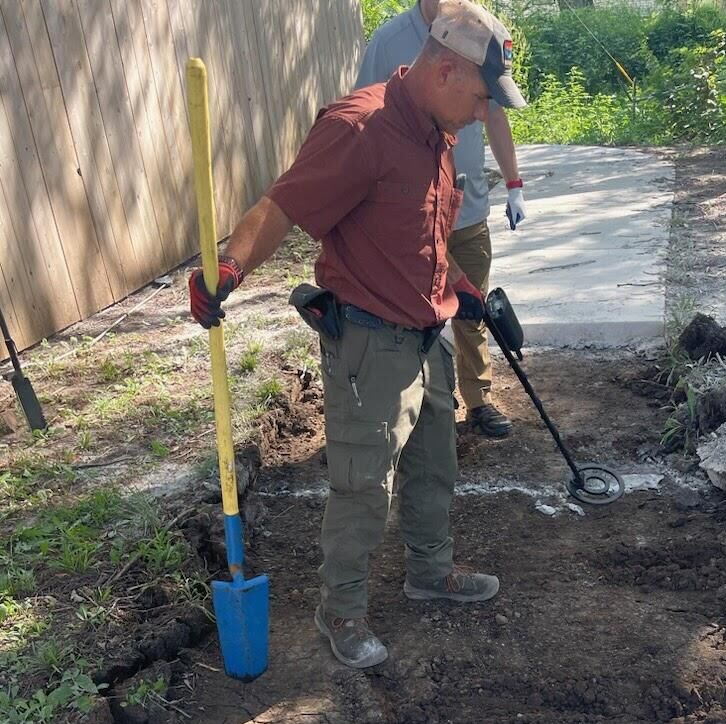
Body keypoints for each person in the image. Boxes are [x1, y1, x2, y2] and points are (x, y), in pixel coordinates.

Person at [188, 0, 525, 670]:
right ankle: (340, 612)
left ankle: (430, 573)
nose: (487, 110)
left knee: (435, 464)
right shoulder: (359, 127)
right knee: (362, 485)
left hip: (428, 331)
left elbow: (424, 231)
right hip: (370, 343)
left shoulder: (437, 128)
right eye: (485, 95)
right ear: (446, 71)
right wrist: (227, 267)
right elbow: (282, 205)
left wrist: (464, 290)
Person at [355, 0, 527, 439]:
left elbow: (496, 112)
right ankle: (424, 399)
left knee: (472, 306)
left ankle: (479, 398)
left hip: (466, 208)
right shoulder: (388, 42)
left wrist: (513, 183)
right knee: (416, 309)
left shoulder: (484, 29)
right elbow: (364, 116)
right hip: (411, 212)